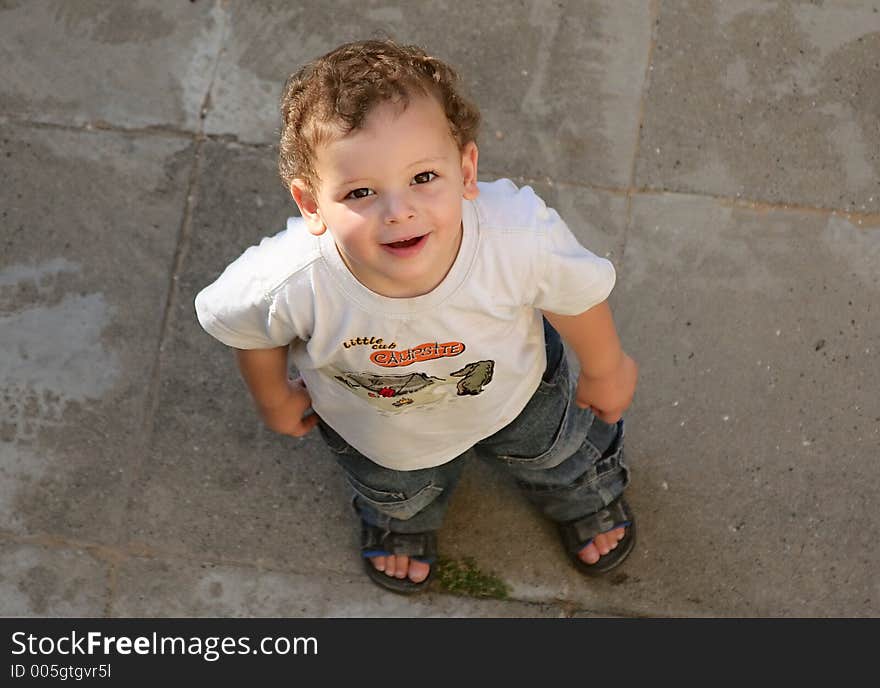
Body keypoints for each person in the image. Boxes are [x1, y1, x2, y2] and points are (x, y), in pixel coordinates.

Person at [195, 38, 639, 594]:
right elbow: (244, 324)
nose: (398, 210)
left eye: (424, 178)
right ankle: (404, 519)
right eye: (360, 191)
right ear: (311, 204)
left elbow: (575, 293)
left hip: (522, 393)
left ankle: (583, 493)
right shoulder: (290, 281)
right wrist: (273, 395)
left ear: (466, 169)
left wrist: (604, 366)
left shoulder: (516, 238)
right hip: (378, 426)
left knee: (560, 453)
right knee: (396, 488)